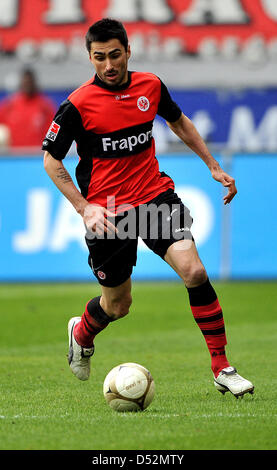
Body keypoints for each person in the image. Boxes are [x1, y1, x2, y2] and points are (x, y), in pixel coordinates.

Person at [42, 18, 254, 398]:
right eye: (99, 57)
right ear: (90, 58)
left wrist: (214, 165)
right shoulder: (76, 105)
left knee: (195, 271)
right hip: (109, 215)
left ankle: (222, 367)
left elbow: (179, 122)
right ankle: (81, 332)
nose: (108, 65)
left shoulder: (150, 85)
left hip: (154, 197)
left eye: (115, 55)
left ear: (128, 51)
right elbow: (51, 160)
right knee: (118, 305)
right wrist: (83, 207)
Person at [0, 68, 55, 149]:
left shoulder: (45, 106)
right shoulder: (9, 105)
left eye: (30, 82)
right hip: (12, 157)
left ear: (34, 83)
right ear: (21, 83)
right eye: (25, 82)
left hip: (36, 156)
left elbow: (54, 132)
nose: (27, 85)